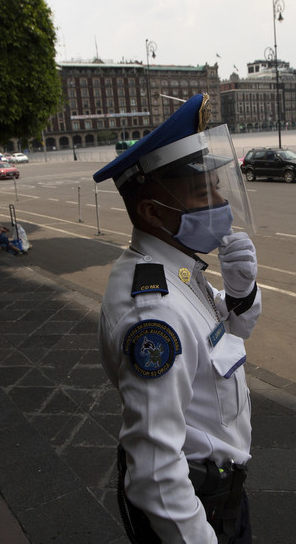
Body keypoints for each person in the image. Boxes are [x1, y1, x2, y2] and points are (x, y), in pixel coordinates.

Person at [93, 94, 260, 543]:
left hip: (219, 489)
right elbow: (154, 473)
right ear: (152, 212)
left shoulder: (177, 269)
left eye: (218, 187)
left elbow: (231, 331)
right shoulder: (153, 312)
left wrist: (241, 291)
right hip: (196, 506)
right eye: (206, 193)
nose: (221, 202)